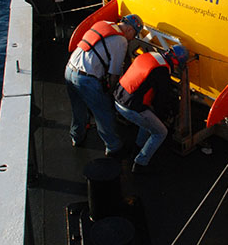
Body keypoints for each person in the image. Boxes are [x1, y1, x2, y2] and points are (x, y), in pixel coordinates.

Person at [65, 14, 144, 154]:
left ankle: (76, 137)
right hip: (85, 79)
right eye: (134, 35)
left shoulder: (105, 23)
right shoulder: (121, 41)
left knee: (78, 108)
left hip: (69, 69)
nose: (132, 39)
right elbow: (114, 73)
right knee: (104, 112)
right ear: (131, 30)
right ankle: (113, 146)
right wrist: (111, 92)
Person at [114, 45, 189, 174]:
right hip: (131, 107)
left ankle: (138, 147)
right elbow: (161, 99)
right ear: (176, 61)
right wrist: (164, 115)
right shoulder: (162, 71)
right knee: (160, 132)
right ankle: (140, 163)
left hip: (118, 98)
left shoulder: (149, 56)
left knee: (149, 120)